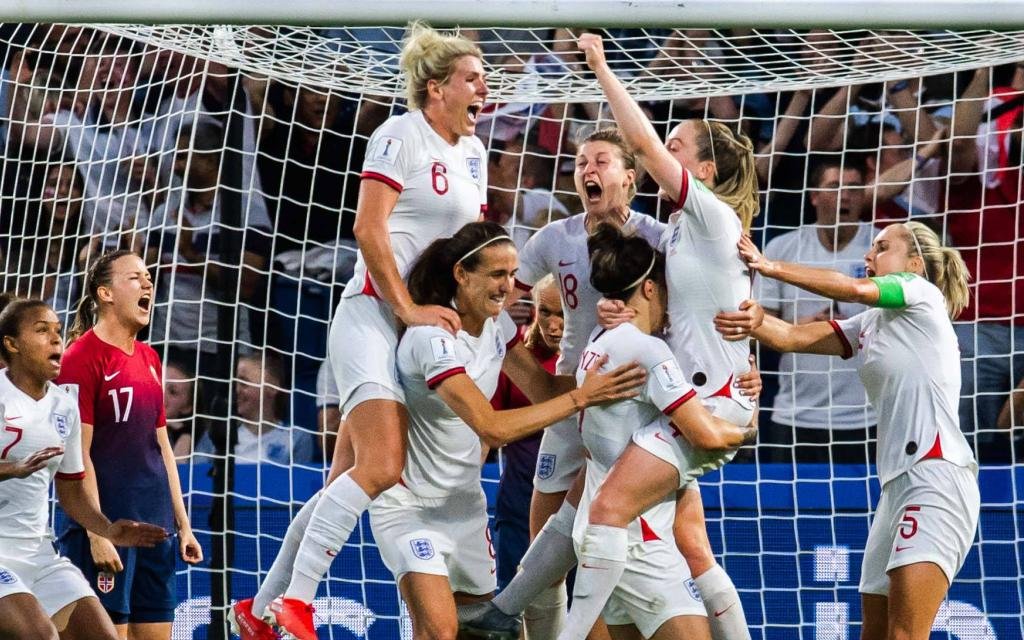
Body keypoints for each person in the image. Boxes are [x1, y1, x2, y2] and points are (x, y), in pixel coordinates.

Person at [229, 22, 491, 640]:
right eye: (473, 78)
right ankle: (296, 604)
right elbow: (369, 231)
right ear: (436, 89)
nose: (486, 87)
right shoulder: (398, 135)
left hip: (415, 325)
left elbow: (467, 250)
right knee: (381, 465)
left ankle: (259, 610)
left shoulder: (473, 155)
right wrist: (405, 309)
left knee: (342, 478)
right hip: (371, 316)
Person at [371, 221, 644, 640]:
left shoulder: (499, 328)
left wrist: (625, 378)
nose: (509, 286)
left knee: (489, 632)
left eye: (513, 275)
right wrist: (583, 397)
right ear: (461, 275)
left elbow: (545, 388)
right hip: (410, 509)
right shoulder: (431, 339)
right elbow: (492, 427)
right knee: (440, 631)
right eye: (497, 274)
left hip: (465, 508)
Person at [576, 33, 761, 640]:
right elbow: (621, 221)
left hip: (706, 404)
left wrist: (602, 67)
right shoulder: (680, 231)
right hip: (699, 395)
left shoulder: (710, 216)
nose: (667, 152)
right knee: (686, 536)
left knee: (604, 509)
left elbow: (641, 145)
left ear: (704, 172)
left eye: (680, 147)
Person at [715, 222, 978, 640]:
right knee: (873, 632)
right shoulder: (873, 322)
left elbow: (852, 290)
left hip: (937, 476)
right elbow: (791, 337)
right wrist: (750, 316)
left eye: (882, 247)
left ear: (914, 264)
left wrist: (770, 266)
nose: (868, 256)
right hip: (896, 487)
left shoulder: (920, 293)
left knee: (906, 633)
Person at [464, 127, 666, 640]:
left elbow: (693, 316)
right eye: (580, 163)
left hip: (636, 401)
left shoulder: (658, 239)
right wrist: (527, 370)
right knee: (544, 538)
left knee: (638, 539)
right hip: (572, 399)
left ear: (630, 176)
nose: (587, 171)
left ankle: (508, 612)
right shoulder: (555, 238)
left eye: (601, 160)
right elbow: (503, 300)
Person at [557, 223, 757, 640]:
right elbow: (704, 435)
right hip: (637, 538)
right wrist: (747, 426)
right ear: (650, 288)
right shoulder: (648, 350)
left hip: (607, 534)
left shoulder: (602, 337)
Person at [0, 297, 167, 640]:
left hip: (39, 555)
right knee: (39, 635)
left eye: (58, 331)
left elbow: (72, 490)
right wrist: (11, 469)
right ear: (11, 344)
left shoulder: (64, 406)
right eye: (42, 330)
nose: (56, 339)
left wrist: (107, 530)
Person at [55, 250, 203, 640]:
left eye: (149, 277)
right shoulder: (79, 359)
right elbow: (76, 455)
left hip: (156, 530)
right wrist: (97, 533)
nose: (148, 284)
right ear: (105, 292)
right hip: (110, 530)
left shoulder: (150, 358)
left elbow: (162, 448)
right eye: (135, 277)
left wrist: (182, 525)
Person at [756, 157, 876, 463]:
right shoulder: (782, 249)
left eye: (853, 187)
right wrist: (802, 327)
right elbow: (756, 327)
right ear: (814, 196)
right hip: (795, 415)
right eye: (835, 187)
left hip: (866, 416)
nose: (845, 195)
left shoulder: (880, 247)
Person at [491, 275, 562, 590]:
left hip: (581, 504)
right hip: (519, 502)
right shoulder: (515, 355)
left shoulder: (600, 354)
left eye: (564, 315)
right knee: (514, 606)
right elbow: (488, 427)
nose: (554, 325)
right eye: (545, 312)